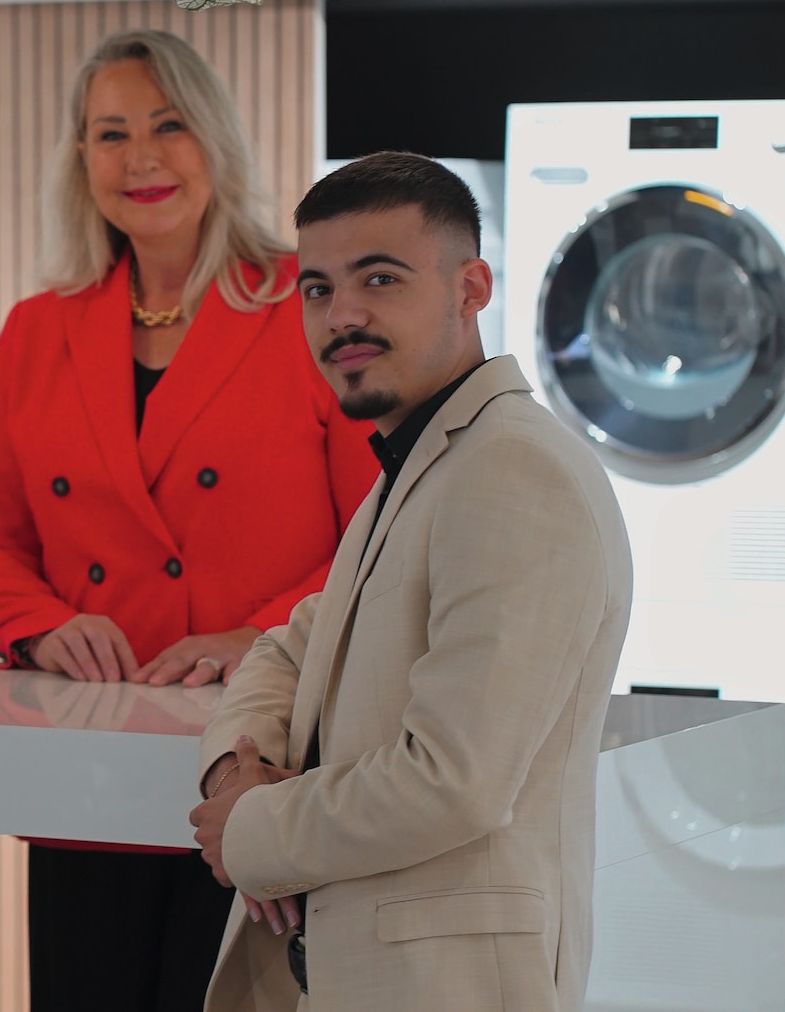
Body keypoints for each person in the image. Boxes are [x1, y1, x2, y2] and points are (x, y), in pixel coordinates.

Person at [0, 28, 377, 1012]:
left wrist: (254, 639)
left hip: (256, 760)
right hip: (83, 765)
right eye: (109, 134)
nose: (139, 159)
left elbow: (375, 547)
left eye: (166, 126)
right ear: (78, 158)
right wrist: (44, 625)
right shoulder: (38, 327)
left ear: (215, 142)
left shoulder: (308, 303)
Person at [188, 152, 633, 1010]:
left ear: (472, 287)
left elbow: (453, 778)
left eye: (379, 278)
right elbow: (291, 644)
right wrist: (233, 773)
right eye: (316, 289)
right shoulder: (423, 460)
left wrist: (253, 830)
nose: (341, 315)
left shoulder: (512, 468)